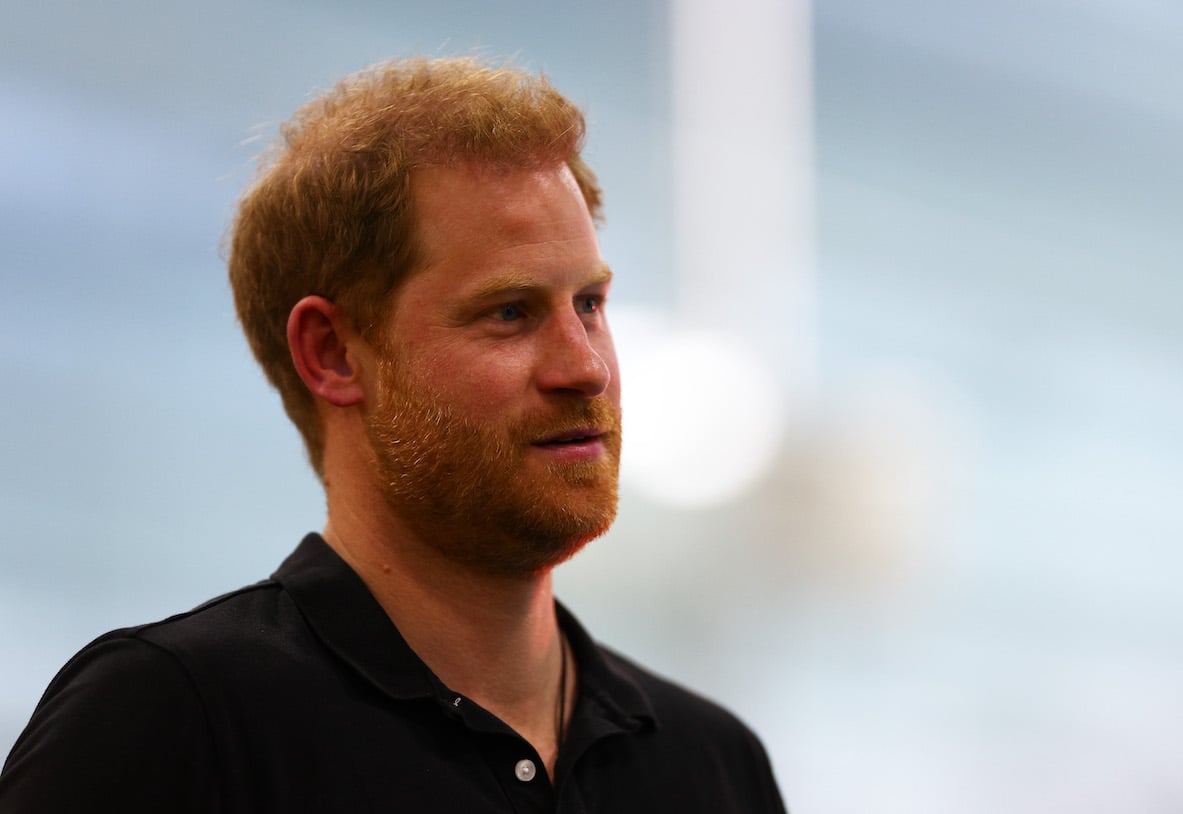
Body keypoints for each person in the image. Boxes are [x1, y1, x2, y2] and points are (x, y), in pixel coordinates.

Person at [0, 56, 786, 813]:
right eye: (509, 312)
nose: (584, 368)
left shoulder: (712, 762)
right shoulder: (174, 721)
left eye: (589, 303)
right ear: (334, 354)